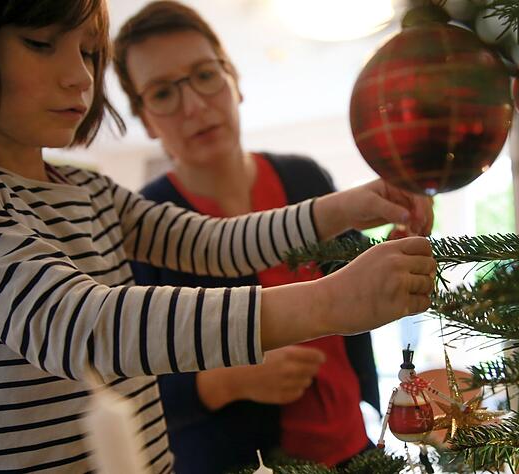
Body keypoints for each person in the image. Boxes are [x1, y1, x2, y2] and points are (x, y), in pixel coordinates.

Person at [0, 1, 436, 472]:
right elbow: (77, 324)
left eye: (88, 52)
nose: (81, 77)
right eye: (41, 43)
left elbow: (212, 244)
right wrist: (327, 303)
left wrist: (355, 203)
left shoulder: (91, 191)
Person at [112, 2, 423, 471]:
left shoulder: (304, 177)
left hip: (356, 447)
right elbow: (122, 385)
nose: (194, 106)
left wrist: (398, 233)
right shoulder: (143, 227)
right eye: (162, 93)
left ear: (232, 78)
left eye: (204, 75)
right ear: (145, 118)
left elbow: (357, 283)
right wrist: (223, 381)